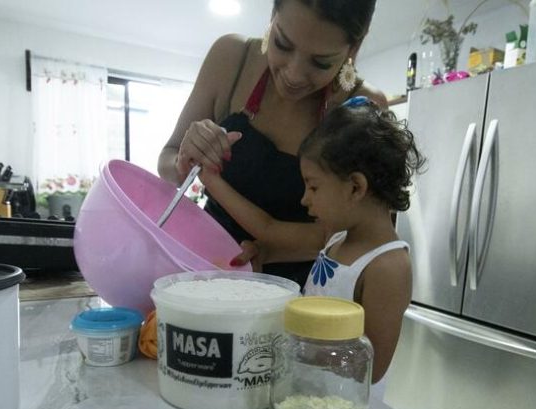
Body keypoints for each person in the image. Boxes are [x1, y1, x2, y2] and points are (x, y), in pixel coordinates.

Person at [158, 0, 387, 287]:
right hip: (205, 268)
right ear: (272, 15)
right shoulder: (230, 58)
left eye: (320, 62)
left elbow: (356, 233)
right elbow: (168, 161)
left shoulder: (364, 108)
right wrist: (185, 159)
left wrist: (269, 251)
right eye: (282, 43)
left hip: (301, 294)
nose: (293, 74)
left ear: (354, 48)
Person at [199, 96, 425, 384]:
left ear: (355, 187)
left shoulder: (388, 267)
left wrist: (294, 348)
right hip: (304, 389)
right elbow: (270, 233)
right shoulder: (336, 238)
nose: (305, 199)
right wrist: (261, 253)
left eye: (313, 186)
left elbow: (373, 367)